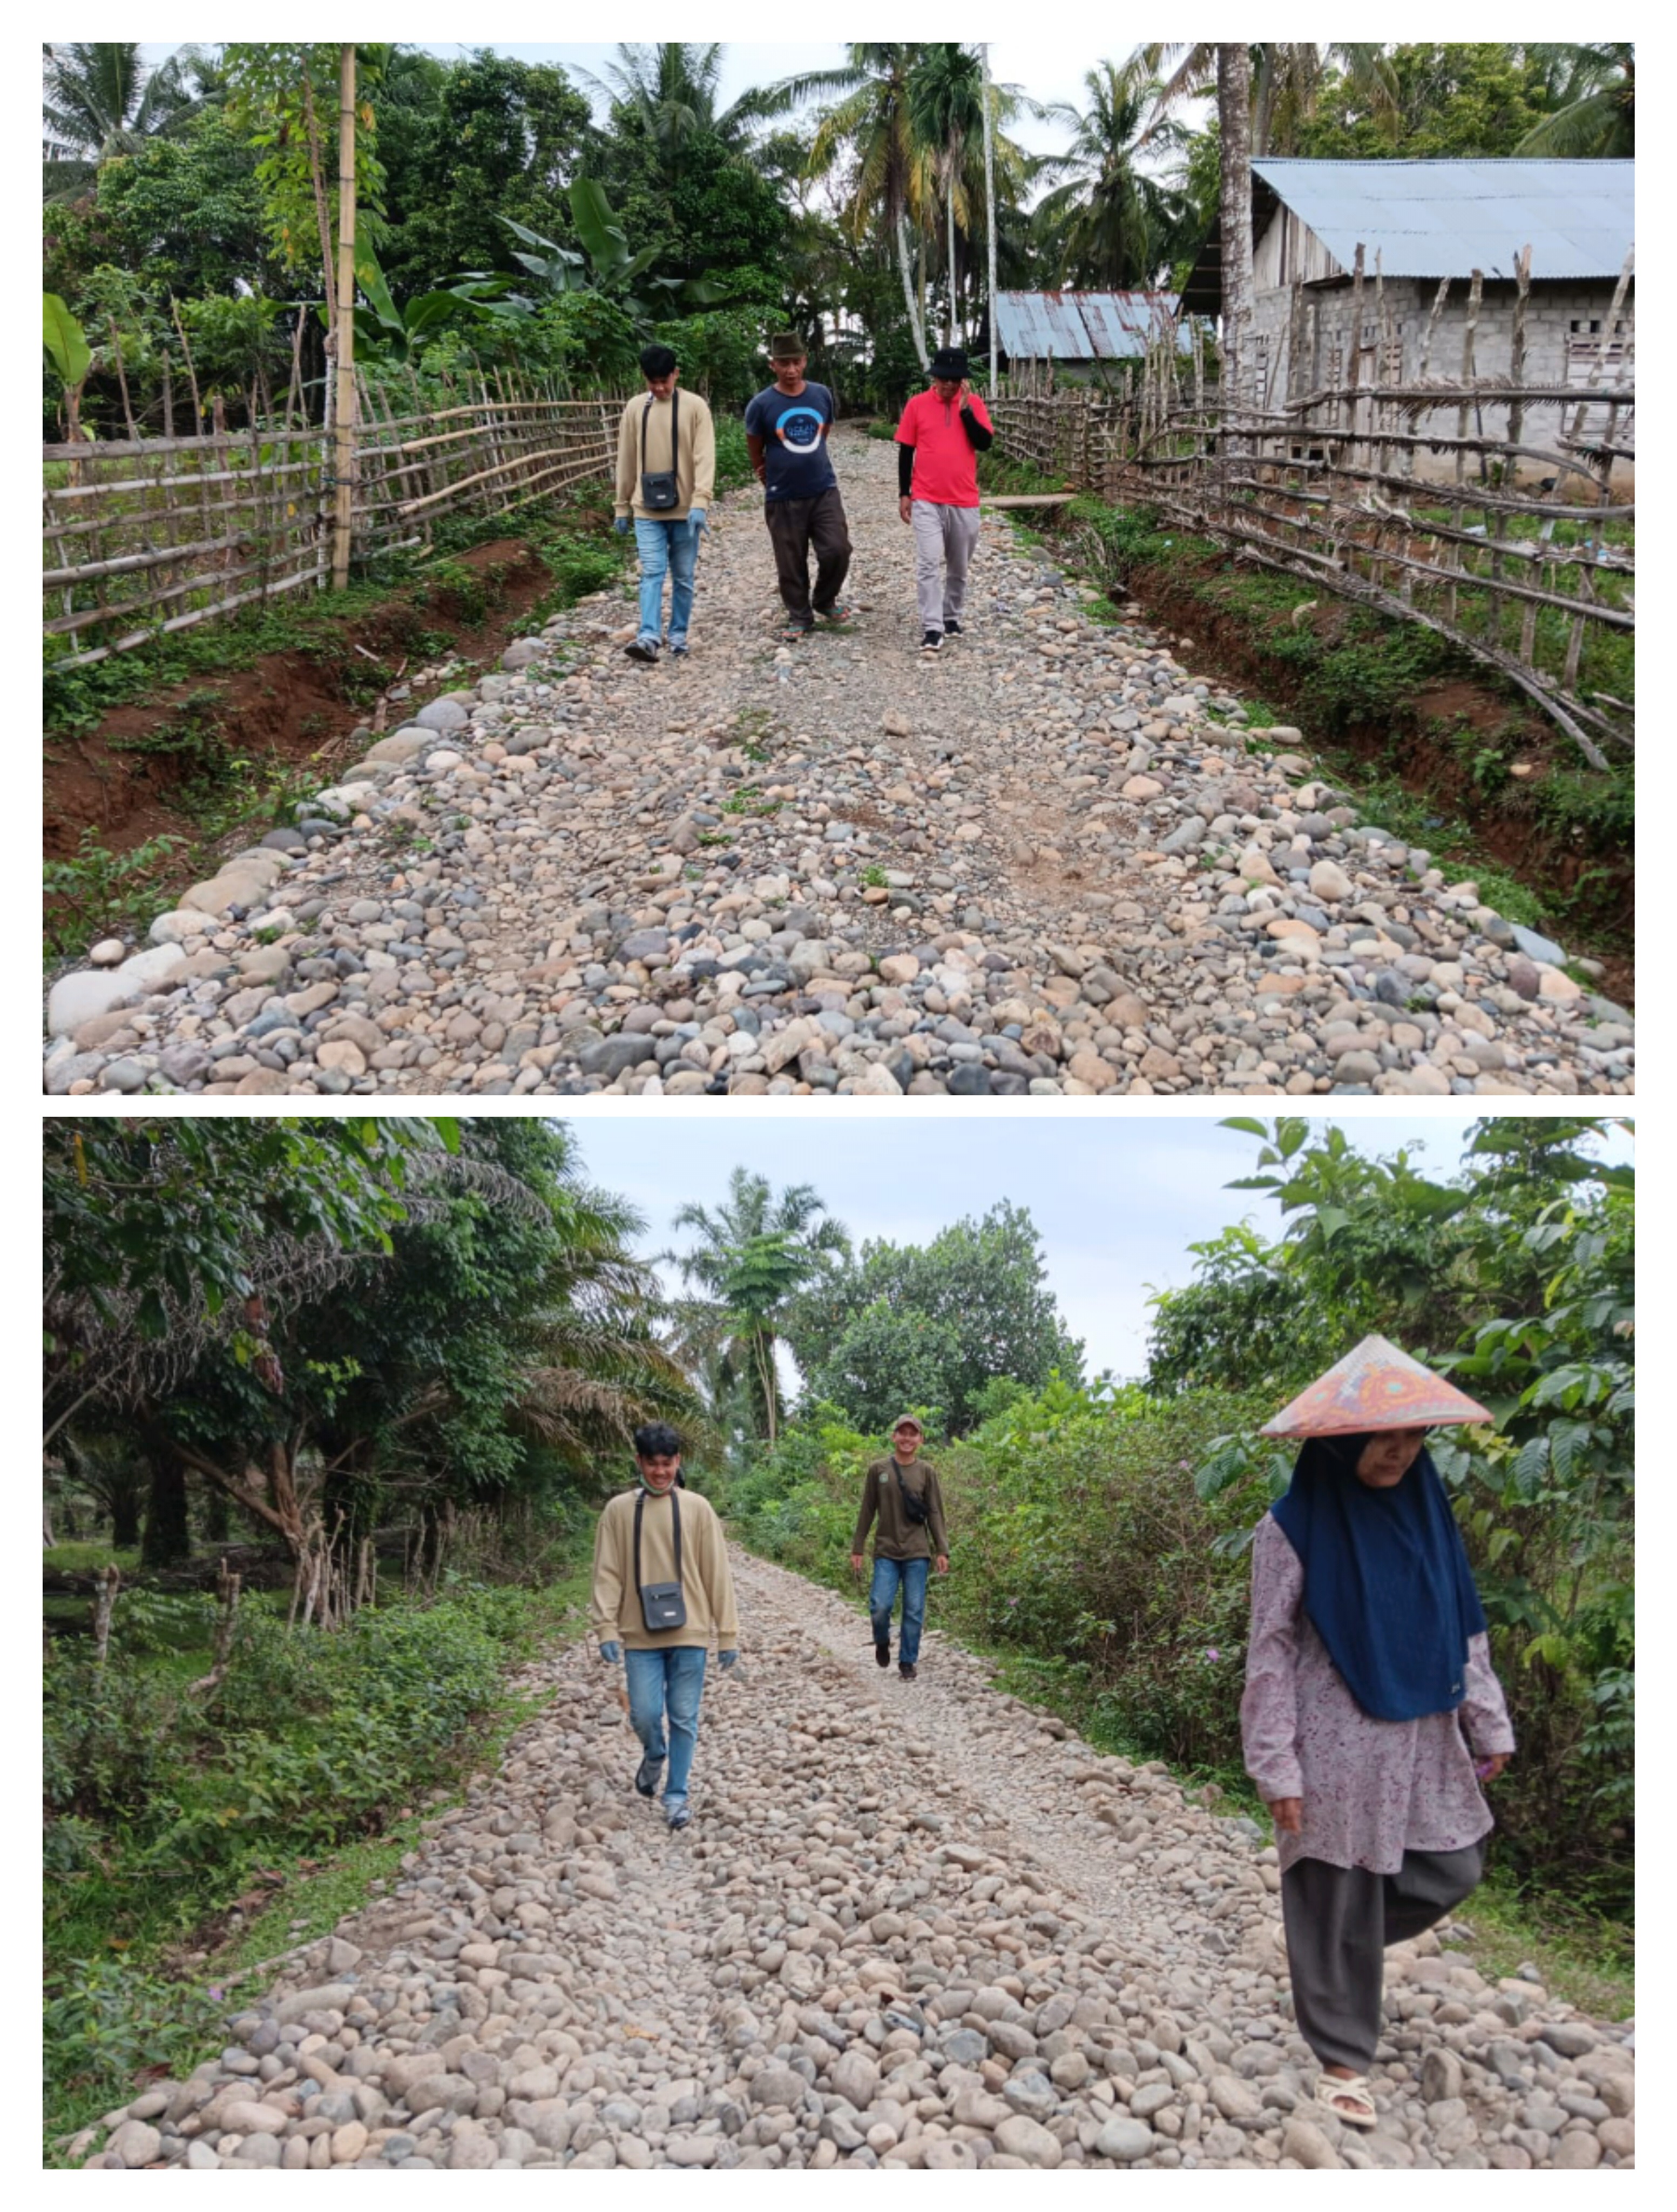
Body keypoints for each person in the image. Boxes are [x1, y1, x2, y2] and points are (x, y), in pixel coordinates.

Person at [1240, 1336, 1515, 2133]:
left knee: (1453, 1866)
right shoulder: (1291, 1528)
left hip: (1421, 1736)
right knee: (1335, 1888)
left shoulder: (1428, 1517)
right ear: (1339, 1441)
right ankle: (1342, 2060)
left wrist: (1486, 1719)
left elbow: (1463, 1627)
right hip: (1331, 1741)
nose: (1399, 1451)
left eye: (1412, 1435)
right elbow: (1269, 1650)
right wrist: (1275, 1764)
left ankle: (1329, 1953)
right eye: (1382, 1436)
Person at [590, 1421, 738, 1829]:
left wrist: (727, 1633)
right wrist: (605, 1626)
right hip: (639, 1634)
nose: (660, 1472)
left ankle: (676, 1796)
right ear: (639, 1462)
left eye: (667, 1463)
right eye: (652, 1463)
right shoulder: (618, 1511)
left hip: (691, 1631)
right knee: (644, 1714)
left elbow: (717, 1573)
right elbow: (607, 1572)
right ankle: (655, 1753)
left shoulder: (698, 1509)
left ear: (678, 1461)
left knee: (684, 1716)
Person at [745, 334, 853, 642]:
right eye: (784, 364)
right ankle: (800, 615)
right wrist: (765, 473)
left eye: (796, 362)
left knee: (838, 549)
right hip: (783, 495)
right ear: (773, 365)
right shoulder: (761, 404)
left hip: (823, 489)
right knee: (790, 560)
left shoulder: (821, 395)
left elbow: (822, 433)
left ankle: (824, 600)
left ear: (805, 361)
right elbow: (755, 447)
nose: (791, 370)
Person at [614, 344, 716, 665]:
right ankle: (648, 638)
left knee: (683, 575)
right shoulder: (635, 409)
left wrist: (701, 501)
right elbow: (626, 458)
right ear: (644, 378)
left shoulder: (695, 407)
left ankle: (678, 635)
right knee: (653, 572)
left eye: (664, 381)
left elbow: (705, 456)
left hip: (686, 511)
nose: (659, 388)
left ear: (676, 374)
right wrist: (621, 505)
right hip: (646, 510)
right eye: (652, 382)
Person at [895, 346, 994, 655]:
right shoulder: (917, 405)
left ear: (963, 380)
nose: (949, 384)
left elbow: (985, 443)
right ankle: (932, 627)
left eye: (955, 379)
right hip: (926, 498)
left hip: (964, 500)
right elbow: (906, 451)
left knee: (959, 567)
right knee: (929, 562)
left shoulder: (974, 405)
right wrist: (904, 493)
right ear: (934, 378)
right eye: (943, 379)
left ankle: (951, 617)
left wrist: (965, 412)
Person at [850, 1414, 949, 1681]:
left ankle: (907, 1661)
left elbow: (935, 1512)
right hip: (886, 1551)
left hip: (917, 1552)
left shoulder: (926, 1472)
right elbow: (867, 1510)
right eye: (902, 1433)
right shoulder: (878, 1470)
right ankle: (882, 1640)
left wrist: (942, 1549)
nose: (907, 1438)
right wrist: (858, 1547)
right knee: (880, 1606)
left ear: (920, 1439)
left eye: (912, 1434)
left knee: (914, 1609)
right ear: (894, 1436)